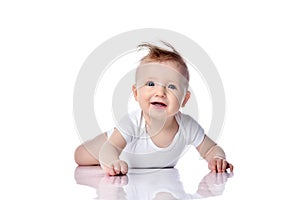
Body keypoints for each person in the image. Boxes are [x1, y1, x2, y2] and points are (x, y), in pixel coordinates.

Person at [74, 42, 234, 176]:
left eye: (171, 86)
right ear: (136, 93)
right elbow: (110, 148)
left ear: (184, 99)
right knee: (81, 155)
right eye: (151, 84)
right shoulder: (133, 123)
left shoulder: (187, 126)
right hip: (113, 145)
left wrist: (217, 158)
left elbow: (211, 149)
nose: (160, 92)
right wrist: (112, 162)